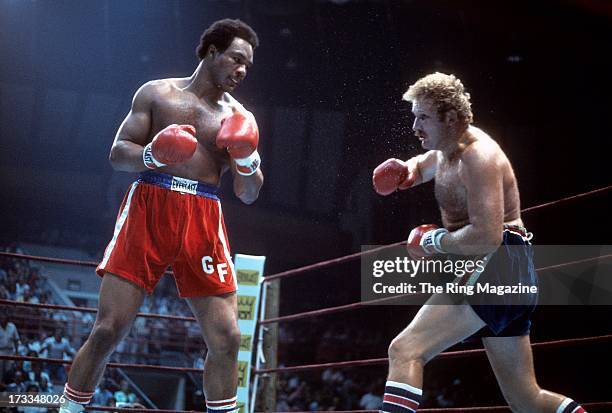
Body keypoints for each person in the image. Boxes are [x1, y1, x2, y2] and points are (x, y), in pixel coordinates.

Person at [59, 18, 263, 413]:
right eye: (236, 59)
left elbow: (249, 193)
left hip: (204, 212)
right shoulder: (157, 94)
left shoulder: (241, 118)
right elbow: (118, 154)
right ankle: (69, 408)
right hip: (151, 204)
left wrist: (245, 158)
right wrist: (153, 154)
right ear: (210, 52)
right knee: (107, 329)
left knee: (227, 339)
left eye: (248, 66)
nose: (241, 70)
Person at [372, 72, 586, 413]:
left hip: (498, 263)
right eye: (414, 116)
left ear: (451, 118)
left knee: (406, 350)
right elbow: (424, 165)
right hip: (505, 272)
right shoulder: (446, 151)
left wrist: (433, 242)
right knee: (526, 400)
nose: (415, 127)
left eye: (423, 117)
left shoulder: (478, 156)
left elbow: (488, 236)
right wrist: (405, 172)